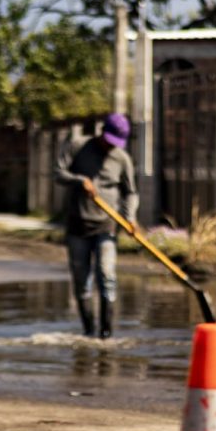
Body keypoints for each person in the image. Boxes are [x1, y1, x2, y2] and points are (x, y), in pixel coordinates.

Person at [55, 113, 139, 339]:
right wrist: (80, 180)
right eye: (109, 141)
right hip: (78, 226)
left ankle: (106, 334)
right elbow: (59, 173)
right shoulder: (78, 146)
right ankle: (89, 332)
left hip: (107, 227)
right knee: (82, 282)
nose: (111, 147)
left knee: (107, 276)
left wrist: (130, 217)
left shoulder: (122, 158)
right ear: (102, 131)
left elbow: (130, 192)